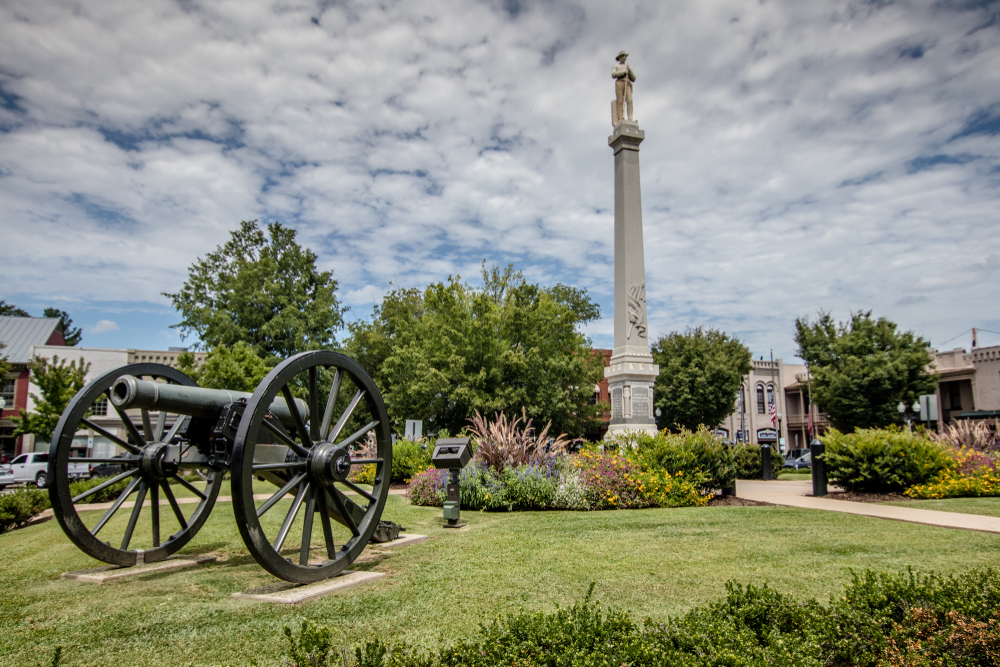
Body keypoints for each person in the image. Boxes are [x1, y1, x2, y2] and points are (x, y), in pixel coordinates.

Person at [612, 50, 636, 125]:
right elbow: (613, 74)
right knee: (620, 101)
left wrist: (630, 71)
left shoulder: (628, 67)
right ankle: (621, 117)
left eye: (625, 56)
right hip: (619, 82)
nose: (624, 57)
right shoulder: (616, 66)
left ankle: (630, 117)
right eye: (622, 56)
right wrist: (623, 72)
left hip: (627, 82)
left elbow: (634, 78)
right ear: (619, 58)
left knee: (629, 100)